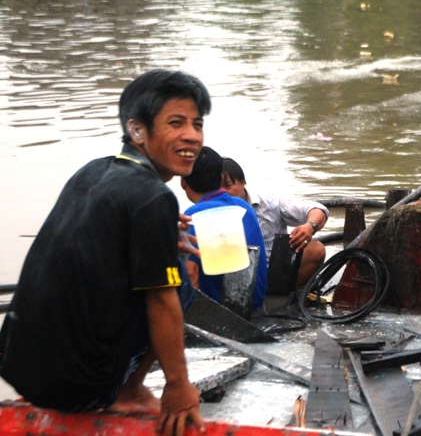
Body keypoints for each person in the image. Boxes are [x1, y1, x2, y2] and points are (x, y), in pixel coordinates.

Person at [0, 69, 208, 435]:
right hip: (77, 389)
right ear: (138, 130)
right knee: (182, 277)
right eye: (176, 123)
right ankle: (125, 392)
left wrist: (156, 232)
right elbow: (161, 301)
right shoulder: (152, 196)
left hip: (21, 369)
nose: (192, 135)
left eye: (197, 123)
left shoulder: (94, 171)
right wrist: (178, 387)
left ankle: (117, 382)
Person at [180, 146, 268, 311]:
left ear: (183, 182)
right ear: (221, 179)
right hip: (255, 304)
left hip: (223, 312)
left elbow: (190, 273)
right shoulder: (244, 206)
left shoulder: (193, 215)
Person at [220, 157, 327, 289]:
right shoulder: (210, 210)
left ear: (242, 182)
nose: (222, 193)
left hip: (277, 269)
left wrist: (310, 226)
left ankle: (285, 296)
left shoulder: (270, 203)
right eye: (217, 188)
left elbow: (317, 209)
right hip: (235, 275)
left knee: (316, 249)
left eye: (228, 186)